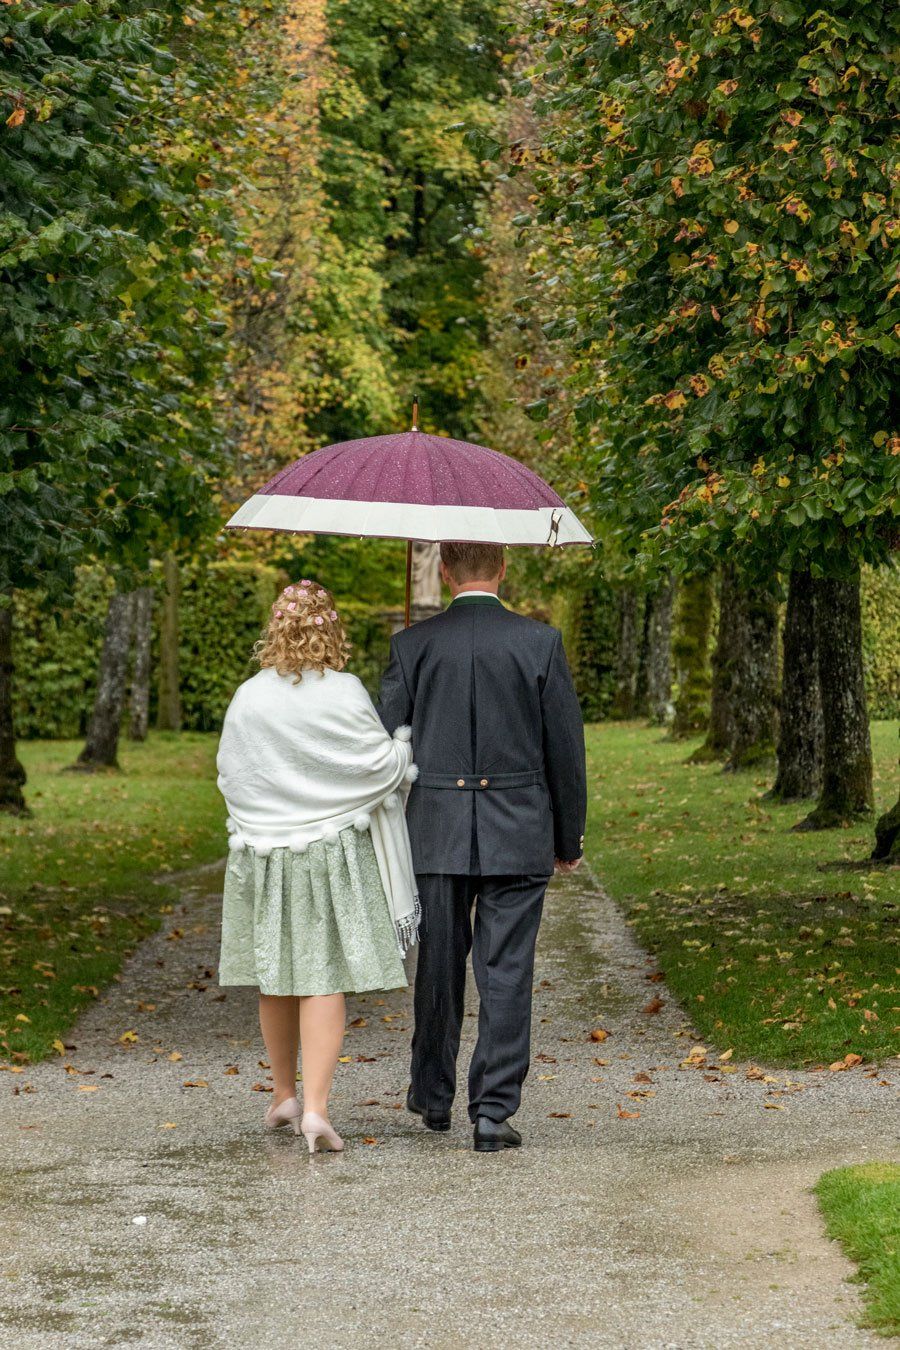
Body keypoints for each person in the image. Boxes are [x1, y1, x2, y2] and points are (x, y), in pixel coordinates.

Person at [378, 542, 586, 1152]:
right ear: (502, 568)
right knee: (506, 970)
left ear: (444, 572)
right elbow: (565, 752)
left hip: (436, 828)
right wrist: (566, 836)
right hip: (519, 826)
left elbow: (386, 746)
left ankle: (432, 1095)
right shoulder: (539, 643)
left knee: (438, 964)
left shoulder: (411, 645)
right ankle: (492, 1111)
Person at [217, 580, 418, 1153]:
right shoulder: (345, 690)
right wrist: (403, 742)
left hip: (266, 855)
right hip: (332, 855)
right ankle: (317, 1111)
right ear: (332, 631)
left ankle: (283, 1092)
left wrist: (267, 818)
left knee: (278, 972)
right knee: (323, 975)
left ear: (274, 632)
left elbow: (233, 774)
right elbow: (376, 766)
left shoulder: (249, 695)